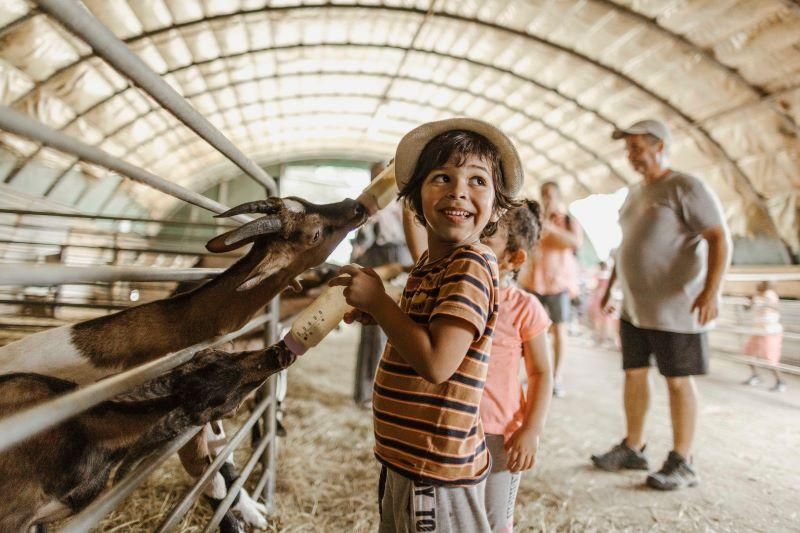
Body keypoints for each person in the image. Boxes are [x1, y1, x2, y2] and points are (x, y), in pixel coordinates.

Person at [330, 118, 522, 532]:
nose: (458, 191)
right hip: (408, 458)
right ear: (415, 199)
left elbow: (437, 363)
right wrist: (379, 314)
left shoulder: (471, 264)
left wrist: (381, 303)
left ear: (496, 206)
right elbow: (422, 334)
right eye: (442, 177)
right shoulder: (431, 264)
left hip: (435, 470)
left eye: (477, 180)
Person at [591, 119, 731, 491]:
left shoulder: (685, 186)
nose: (630, 155)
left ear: (660, 146)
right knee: (634, 375)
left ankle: (683, 461)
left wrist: (712, 291)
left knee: (678, 381)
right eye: (628, 148)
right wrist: (611, 290)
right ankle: (633, 447)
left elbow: (719, 238)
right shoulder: (634, 192)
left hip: (677, 309)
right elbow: (625, 246)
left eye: (637, 147)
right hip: (635, 307)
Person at [480, 201, 553, 533]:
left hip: (499, 436)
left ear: (514, 258)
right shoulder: (452, 292)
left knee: (494, 521)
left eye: (485, 237)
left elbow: (541, 372)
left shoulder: (524, 307)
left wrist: (531, 430)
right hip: (454, 428)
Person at [350, 162, 413, 407]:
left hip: (403, 260)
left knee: (400, 326)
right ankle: (368, 392)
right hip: (378, 260)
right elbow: (360, 242)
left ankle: (393, 392)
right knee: (374, 328)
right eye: (378, 176)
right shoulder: (368, 205)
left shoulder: (408, 202)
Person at [519, 181, 582, 398]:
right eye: (543, 194)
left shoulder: (568, 220)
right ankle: (532, 372)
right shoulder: (534, 218)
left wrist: (550, 227)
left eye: (550, 194)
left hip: (558, 283)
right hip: (533, 282)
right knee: (530, 330)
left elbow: (574, 242)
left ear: (558, 196)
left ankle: (557, 376)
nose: (546, 198)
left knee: (559, 330)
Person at [742, 281, 785, 392]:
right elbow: (747, 308)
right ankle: (755, 376)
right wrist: (749, 301)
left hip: (770, 330)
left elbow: (776, 307)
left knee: (770, 357)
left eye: (761, 283)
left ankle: (780, 381)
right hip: (758, 329)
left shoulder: (769, 294)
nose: (757, 284)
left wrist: (767, 304)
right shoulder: (757, 295)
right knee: (748, 352)